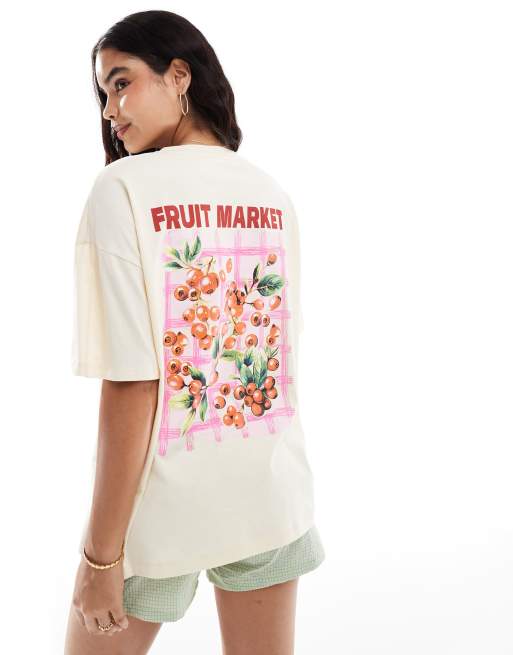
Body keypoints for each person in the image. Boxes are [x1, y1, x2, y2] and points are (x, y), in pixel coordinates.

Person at [64, 10, 325, 655]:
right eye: (103, 94)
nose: (110, 110)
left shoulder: (122, 190)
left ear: (179, 75)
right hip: (269, 495)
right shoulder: (269, 192)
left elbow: (134, 383)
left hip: (158, 514)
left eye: (121, 83)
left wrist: (101, 557)